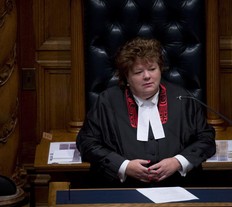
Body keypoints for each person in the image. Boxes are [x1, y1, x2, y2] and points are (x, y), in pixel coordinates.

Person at [76, 37, 216, 188]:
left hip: (177, 186)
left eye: (152, 69)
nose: (147, 76)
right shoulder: (107, 101)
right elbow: (87, 142)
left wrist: (178, 162)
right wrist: (124, 166)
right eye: (138, 72)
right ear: (126, 77)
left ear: (160, 69)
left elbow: (206, 138)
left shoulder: (183, 98)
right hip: (123, 188)